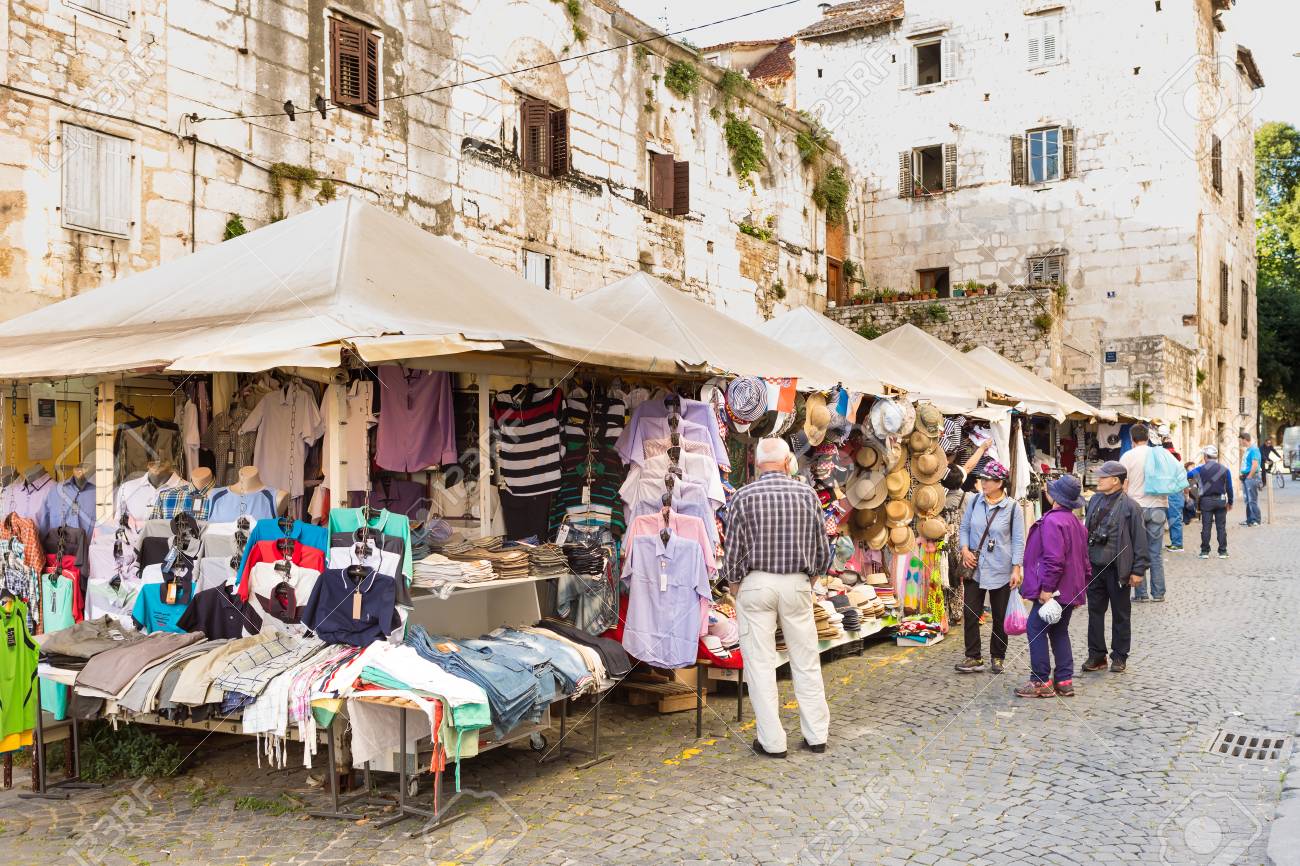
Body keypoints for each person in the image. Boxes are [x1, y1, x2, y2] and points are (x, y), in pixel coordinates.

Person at [722, 437, 832, 759]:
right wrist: (811, 576)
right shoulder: (808, 495)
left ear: (757, 464)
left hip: (756, 584)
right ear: (787, 463)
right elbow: (823, 548)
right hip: (796, 583)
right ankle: (816, 737)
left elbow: (733, 550)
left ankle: (772, 742)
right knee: (806, 660)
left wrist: (735, 585)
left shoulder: (743, 496)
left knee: (760, 664)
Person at [1015, 475, 1091, 698]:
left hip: (1054, 590)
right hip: (1070, 589)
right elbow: (1085, 562)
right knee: (1059, 631)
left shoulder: (1052, 521)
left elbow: (1054, 560)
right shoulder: (1077, 523)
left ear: (1054, 497)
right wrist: (1080, 591)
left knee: (1036, 628)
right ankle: (1065, 680)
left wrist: (1047, 589)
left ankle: (1041, 681)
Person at [955, 460, 1025, 676]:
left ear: (999, 483)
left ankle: (998, 656)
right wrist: (964, 549)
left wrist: (1016, 568)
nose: (982, 482)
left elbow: (1018, 541)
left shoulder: (1013, 508)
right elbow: (964, 527)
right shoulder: (975, 501)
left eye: (987, 480)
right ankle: (973, 656)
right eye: (982, 479)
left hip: (1001, 569)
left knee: (999, 615)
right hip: (974, 567)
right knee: (970, 611)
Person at [1082, 461, 1150, 674]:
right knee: (1094, 612)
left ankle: (1120, 656)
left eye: (1103, 477)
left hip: (1118, 568)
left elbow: (1140, 540)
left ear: (1116, 481)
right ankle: (1096, 655)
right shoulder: (1093, 500)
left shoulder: (1131, 507)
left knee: (1121, 614)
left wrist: (1138, 570)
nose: (1098, 480)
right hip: (1094, 566)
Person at [1119, 424, 1167, 602]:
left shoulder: (1128, 456)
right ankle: (1159, 593)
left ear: (1132, 438)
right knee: (1155, 552)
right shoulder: (1160, 455)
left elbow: (1124, 485)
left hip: (1136, 507)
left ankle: (1141, 594)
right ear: (1148, 437)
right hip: (1159, 507)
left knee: (1138, 551)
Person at [1195, 445, 1233, 559]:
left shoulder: (1201, 469)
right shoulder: (1225, 470)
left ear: (1206, 456)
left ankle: (1204, 551)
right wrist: (1230, 502)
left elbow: (1188, 475)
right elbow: (1229, 487)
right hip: (1221, 500)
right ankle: (1222, 551)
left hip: (1206, 501)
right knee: (1221, 527)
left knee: (1206, 526)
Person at [1239, 432, 1261, 527]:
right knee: (1247, 500)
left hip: (1251, 477)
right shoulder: (1247, 450)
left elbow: (1255, 464)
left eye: (1240, 440)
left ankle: (1256, 520)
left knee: (1252, 499)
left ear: (1245, 440)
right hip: (1245, 477)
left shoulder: (1254, 450)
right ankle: (1249, 520)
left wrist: (1249, 476)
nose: (1240, 442)